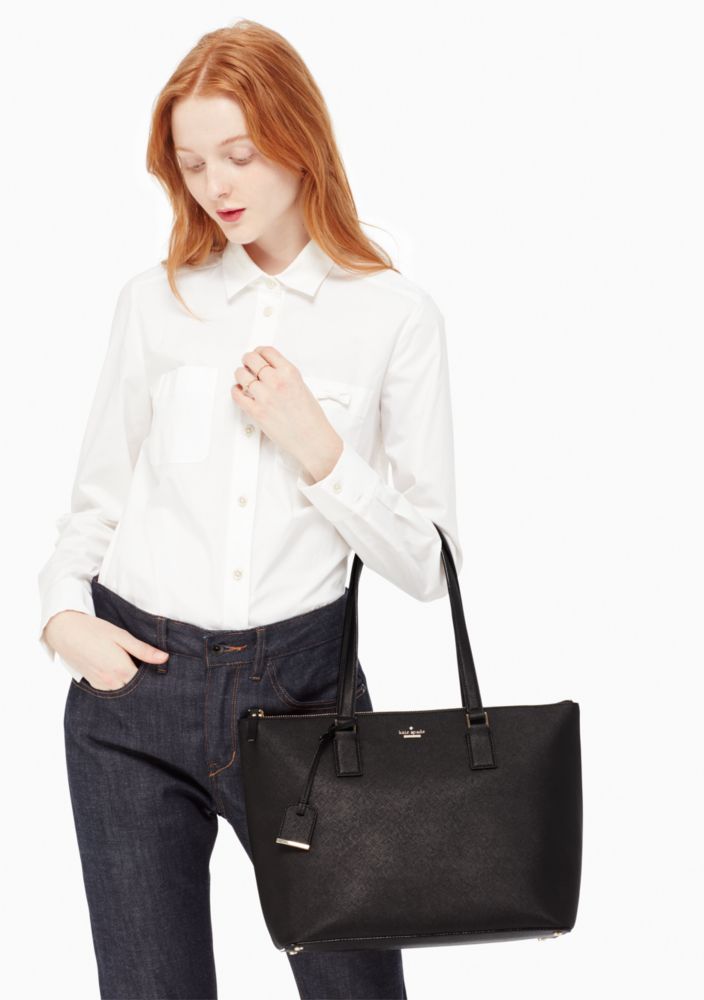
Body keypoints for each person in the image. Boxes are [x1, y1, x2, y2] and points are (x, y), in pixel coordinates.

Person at [38, 18, 462, 1000]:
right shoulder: (156, 303)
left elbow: (429, 564)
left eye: (238, 154)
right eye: (191, 165)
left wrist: (320, 448)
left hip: (308, 704)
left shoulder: (393, 316)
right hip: (133, 696)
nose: (215, 186)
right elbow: (95, 500)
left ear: (298, 137)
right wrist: (63, 617)